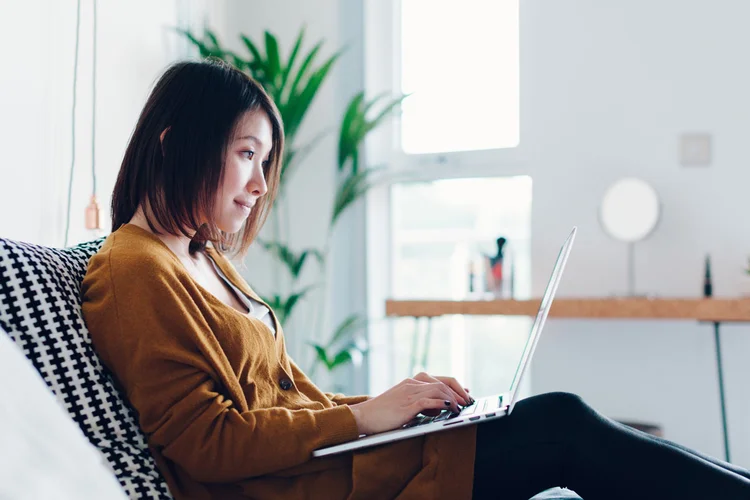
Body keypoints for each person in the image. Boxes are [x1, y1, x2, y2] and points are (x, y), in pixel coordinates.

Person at [81, 59, 750, 500]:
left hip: (334, 466)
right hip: (301, 489)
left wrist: (394, 408)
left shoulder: (202, 256)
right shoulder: (134, 267)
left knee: (553, 418)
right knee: (560, 424)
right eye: (247, 155)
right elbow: (206, 443)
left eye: (264, 160)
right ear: (174, 143)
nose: (260, 185)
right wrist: (368, 418)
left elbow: (288, 400)